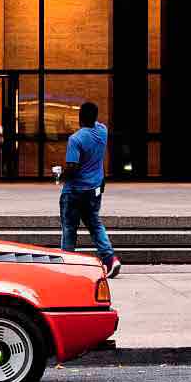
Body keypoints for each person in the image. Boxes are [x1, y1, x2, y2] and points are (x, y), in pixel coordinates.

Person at [55, 100, 121, 279]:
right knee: (95, 224)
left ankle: (67, 262)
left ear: (79, 117)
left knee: (69, 227)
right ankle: (110, 259)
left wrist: (61, 176)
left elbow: (73, 167)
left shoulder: (75, 139)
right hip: (94, 189)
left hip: (75, 190)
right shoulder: (102, 131)